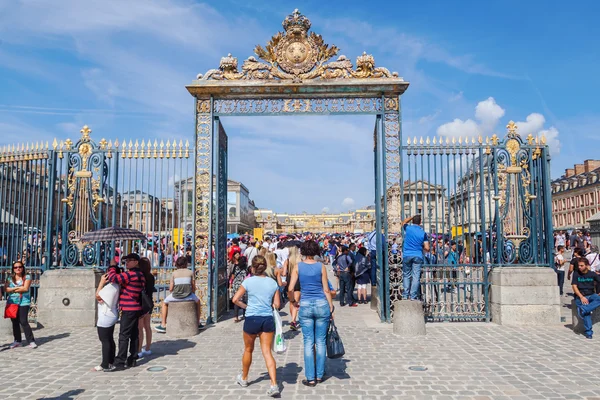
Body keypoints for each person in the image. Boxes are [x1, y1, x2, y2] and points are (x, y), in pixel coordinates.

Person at [287, 240, 335, 387]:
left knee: (308, 342)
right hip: (321, 304)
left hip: (306, 304)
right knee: (320, 341)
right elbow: (326, 289)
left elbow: (290, 288)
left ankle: (311, 378)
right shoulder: (321, 266)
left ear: (302, 251)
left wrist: (293, 302)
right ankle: (320, 375)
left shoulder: (298, 267)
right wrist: (331, 306)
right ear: (315, 252)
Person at [232, 256, 280, 397]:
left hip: (252, 318)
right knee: (267, 352)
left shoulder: (248, 281)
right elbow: (277, 304)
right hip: (267, 318)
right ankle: (274, 384)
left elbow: (235, 299)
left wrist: (246, 306)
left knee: (248, 349)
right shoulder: (272, 283)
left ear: (252, 267)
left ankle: (244, 378)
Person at [106, 253, 145, 371]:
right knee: (134, 335)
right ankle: (132, 358)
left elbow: (113, 278)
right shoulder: (140, 274)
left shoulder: (131, 275)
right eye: (126, 261)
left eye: (130, 260)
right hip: (136, 308)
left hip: (128, 308)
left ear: (136, 262)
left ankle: (120, 360)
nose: (127, 262)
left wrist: (112, 267)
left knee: (124, 335)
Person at [155, 257, 205, 333]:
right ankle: (198, 322)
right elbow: (193, 286)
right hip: (188, 295)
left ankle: (163, 324)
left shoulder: (174, 273)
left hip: (176, 296)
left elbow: (171, 288)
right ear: (186, 264)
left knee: (164, 303)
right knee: (198, 302)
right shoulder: (190, 272)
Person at [94, 261, 120, 371]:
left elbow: (98, 295)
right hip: (110, 313)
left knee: (105, 340)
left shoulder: (112, 286)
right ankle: (110, 360)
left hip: (106, 315)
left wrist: (101, 282)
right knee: (109, 339)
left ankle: (106, 363)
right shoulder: (115, 285)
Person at [5, 261, 36, 349]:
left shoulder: (27, 277)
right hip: (12, 302)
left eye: (20, 267)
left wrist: (12, 289)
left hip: (23, 302)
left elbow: (25, 288)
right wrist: (18, 288)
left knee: (23, 321)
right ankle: (17, 340)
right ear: (13, 269)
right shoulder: (10, 278)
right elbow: (6, 289)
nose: (18, 268)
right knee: (14, 322)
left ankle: (31, 340)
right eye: (15, 267)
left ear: (23, 268)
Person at [401, 215, 429, 300]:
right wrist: (421, 247)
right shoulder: (423, 233)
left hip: (407, 254)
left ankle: (405, 295)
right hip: (417, 255)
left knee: (406, 275)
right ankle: (413, 296)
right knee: (416, 276)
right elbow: (427, 248)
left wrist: (411, 217)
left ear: (412, 221)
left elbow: (403, 222)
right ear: (420, 222)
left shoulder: (408, 228)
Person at [572, 257, 600, 339]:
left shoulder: (592, 274)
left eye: (581, 265)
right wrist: (581, 297)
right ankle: (589, 332)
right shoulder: (576, 273)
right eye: (579, 265)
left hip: (591, 294)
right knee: (586, 313)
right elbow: (574, 286)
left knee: (585, 309)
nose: (579, 267)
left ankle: (585, 308)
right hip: (580, 296)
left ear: (587, 266)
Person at [138, 257, 155, 358]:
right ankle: (148, 348)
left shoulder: (140, 277)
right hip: (149, 302)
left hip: (141, 303)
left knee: (140, 327)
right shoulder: (151, 276)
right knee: (147, 326)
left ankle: (139, 349)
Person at [230, 256, 249, 323]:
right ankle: (245, 314)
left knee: (237, 300)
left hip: (236, 285)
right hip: (243, 285)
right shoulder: (246, 268)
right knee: (244, 300)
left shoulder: (236, 267)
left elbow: (232, 276)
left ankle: (236, 317)